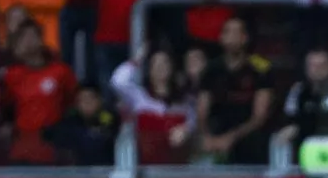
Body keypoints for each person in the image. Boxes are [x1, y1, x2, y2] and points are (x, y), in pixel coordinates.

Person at [196, 17, 273, 164]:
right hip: (217, 133)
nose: (231, 37)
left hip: (248, 135)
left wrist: (231, 138)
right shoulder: (211, 70)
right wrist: (207, 136)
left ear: (245, 38)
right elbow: (201, 111)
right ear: (221, 38)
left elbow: (259, 117)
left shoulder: (260, 69)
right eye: (227, 33)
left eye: (236, 33)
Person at [2, 20, 78, 164]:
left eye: (32, 36)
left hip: (52, 145)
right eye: (23, 37)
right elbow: (5, 107)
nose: (29, 41)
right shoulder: (12, 75)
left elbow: (72, 102)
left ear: (41, 39)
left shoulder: (61, 72)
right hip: (22, 147)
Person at [111, 48, 195, 164]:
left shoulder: (183, 100)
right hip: (145, 167)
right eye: (155, 63)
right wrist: (136, 61)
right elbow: (118, 82)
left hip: (176, 166)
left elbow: (193, 122)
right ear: (149, 69)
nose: (160, 67)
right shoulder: (139, 97)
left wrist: (186, 130)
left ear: (171, 67)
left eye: (164, 62)